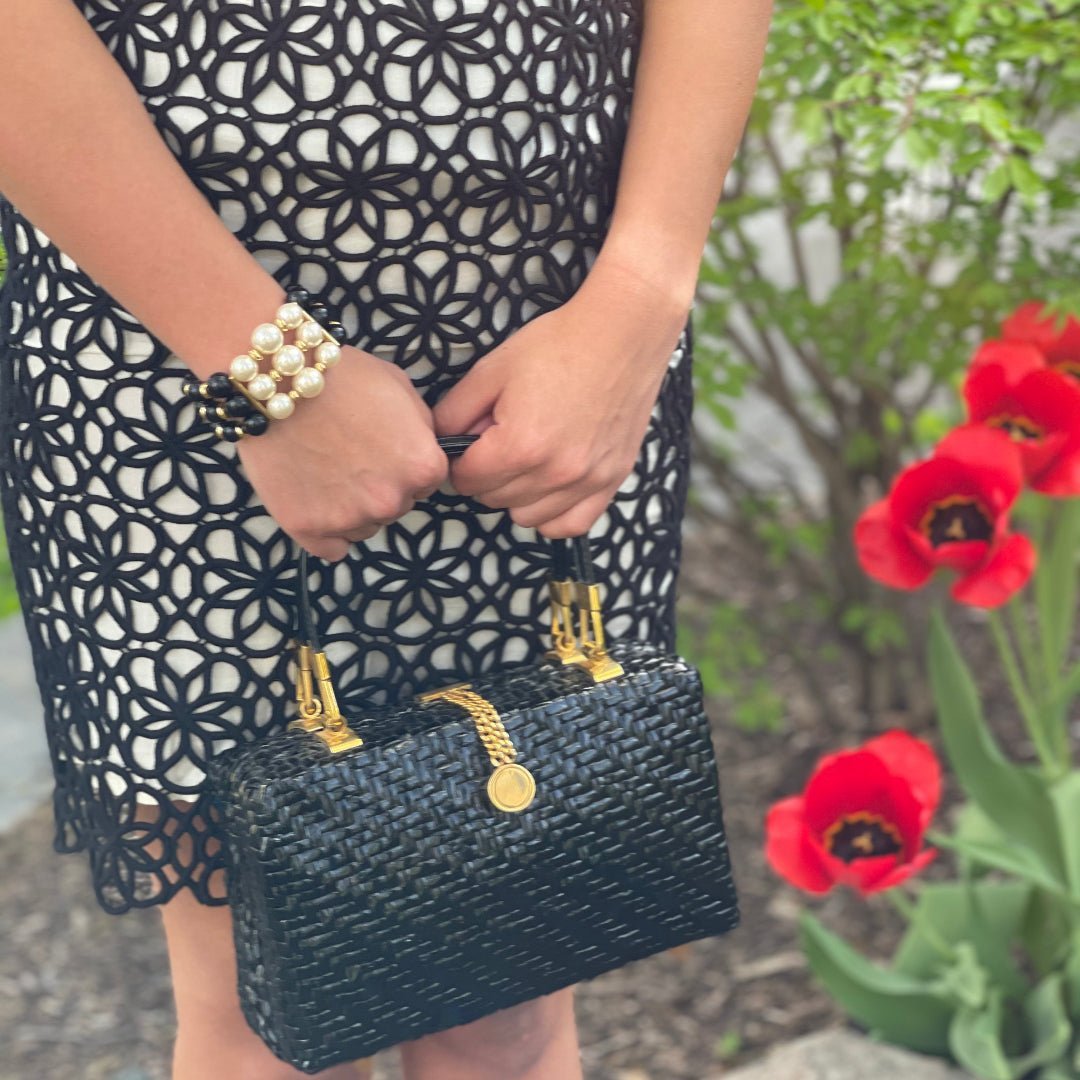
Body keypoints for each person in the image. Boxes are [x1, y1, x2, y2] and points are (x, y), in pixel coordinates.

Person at [0, 0, 772, 1077]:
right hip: (176, 323)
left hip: (548, 336)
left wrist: (642, 298)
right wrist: (260, 364)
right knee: (270, 1015)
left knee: (507, 1007)